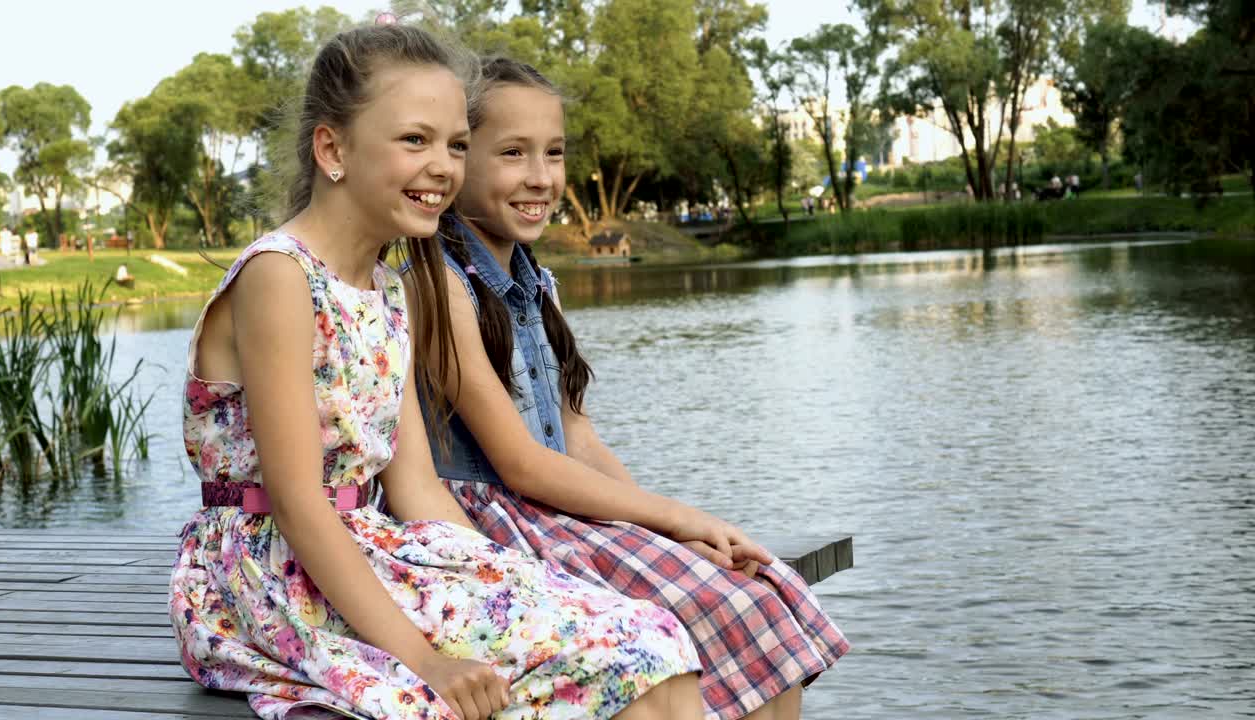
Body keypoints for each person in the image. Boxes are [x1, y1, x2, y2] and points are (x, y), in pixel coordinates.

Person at [171, 22, 703, 720]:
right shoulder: (280, 277)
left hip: (374, 546)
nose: (444, 167)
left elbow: (415, 484)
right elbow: (300, 505)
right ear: (332, 148)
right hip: (270, 575)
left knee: (650, 636)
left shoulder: (390, 289)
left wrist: (511, 583)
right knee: (592, 662)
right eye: (414, 140)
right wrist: (425, 660)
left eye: (456, 145)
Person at [404, 56, 849, 720]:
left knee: (760, 595)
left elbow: (577, 435)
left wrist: (663, 532)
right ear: (462, 160)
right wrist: (683, 519)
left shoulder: (537, 284)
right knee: (683, 627)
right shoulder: (439, 283)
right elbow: (520, 463)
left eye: (553, 154)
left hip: (562, 516)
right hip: (496, 529)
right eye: (513, 154)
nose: (540, 178)